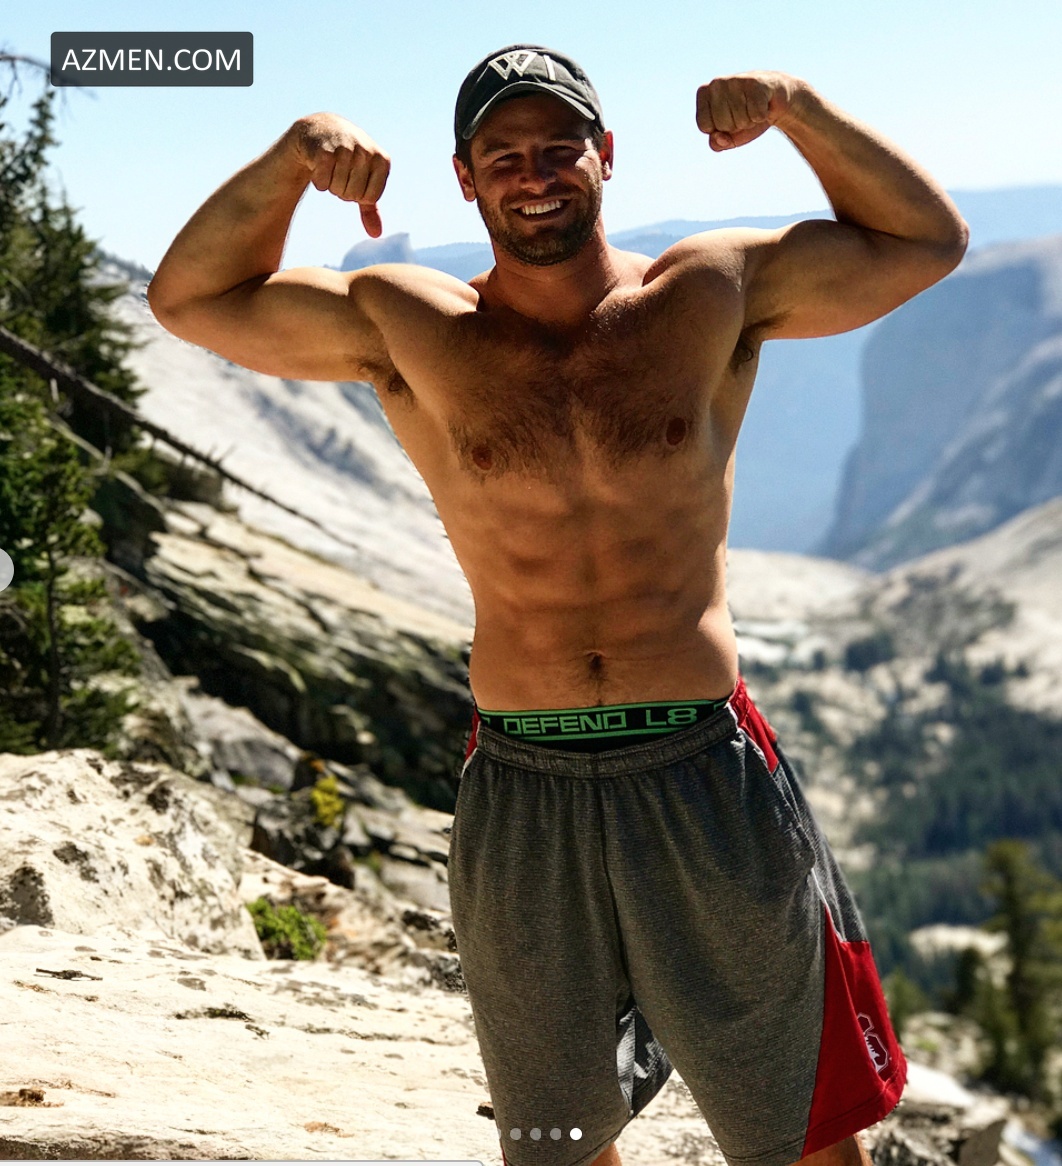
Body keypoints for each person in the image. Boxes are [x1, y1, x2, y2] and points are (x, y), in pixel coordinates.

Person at [148, 44, 968, 1166]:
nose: (533, 174)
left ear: (605, 155)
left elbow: (926, 241)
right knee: (556, 1140)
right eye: (503, 155)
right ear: (464, 179)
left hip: (702, 768)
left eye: (557, 147)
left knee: (801, 1136)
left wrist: (796, 108)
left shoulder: (709, 292)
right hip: (524, 781)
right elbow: (190, 299)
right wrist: (293, 160)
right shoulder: (408, 325)